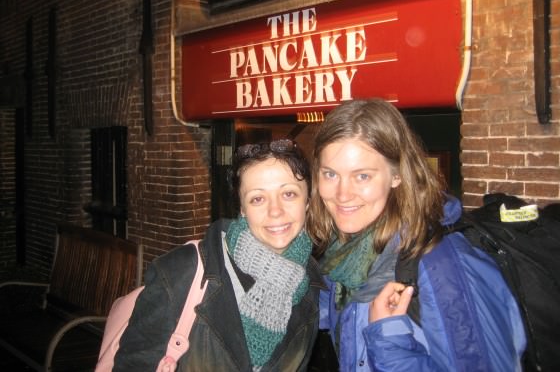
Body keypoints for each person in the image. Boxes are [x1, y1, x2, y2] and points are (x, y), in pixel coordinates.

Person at [306, 99, 526, 371]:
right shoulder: (345, 255)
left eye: (362, 176)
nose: (342, 194)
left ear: (397, 175)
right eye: (330, 174)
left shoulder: (442, 265)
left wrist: (389, 340)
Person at [113, 139, 325, 371]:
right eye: (258, 198)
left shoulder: (311, 281)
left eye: (289, 194)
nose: (275, 211)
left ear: (307, 201)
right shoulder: (182, 271)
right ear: (242, 209)